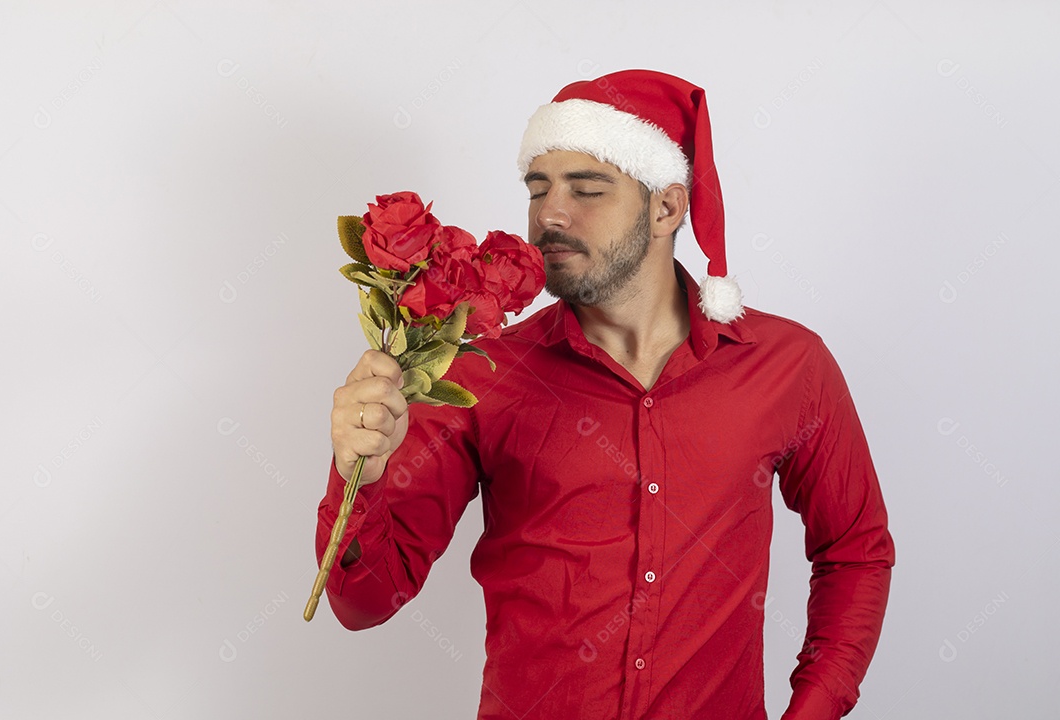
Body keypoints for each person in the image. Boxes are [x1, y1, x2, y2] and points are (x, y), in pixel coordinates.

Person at [317, 69, 894, 720]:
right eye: (538, 189)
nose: (549, 215)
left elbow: (856, 550)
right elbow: (364, 602)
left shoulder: (788, 365)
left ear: (666, 208)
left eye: (587, 190)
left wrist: (813, 708)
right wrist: (358, 474)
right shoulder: (481, 374)